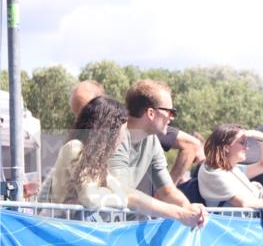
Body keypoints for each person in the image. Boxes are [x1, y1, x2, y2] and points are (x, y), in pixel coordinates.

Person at [108, 79, 207, 227]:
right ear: (151, 113)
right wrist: (179, 214)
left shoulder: (152, 140)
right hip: (87, 228)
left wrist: (189, 208)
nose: (171, 118)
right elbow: (123, 193)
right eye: (170, 112)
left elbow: (167, 191)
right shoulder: (116, 136)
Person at [70, 79, 205, 185]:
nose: (83, 120)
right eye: (78, 115)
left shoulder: (146, 129)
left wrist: (168, 190)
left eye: (87, 111)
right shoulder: (89, 137)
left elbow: (191, 145)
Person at [43, 96, 130, 208]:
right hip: (65, 223)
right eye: (121, 132)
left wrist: (101, 192)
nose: (122, 139)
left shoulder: (95, 159)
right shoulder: (75, 147)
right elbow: (91, 199)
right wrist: (109, 193)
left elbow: (121, 193)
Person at [197, 125, 263, 212]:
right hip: (229, 227)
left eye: (246, 142)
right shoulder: (212, 172)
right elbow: (242, 203)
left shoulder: (232, 170)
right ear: (226, 147)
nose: (247, 148)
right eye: (242, 143)